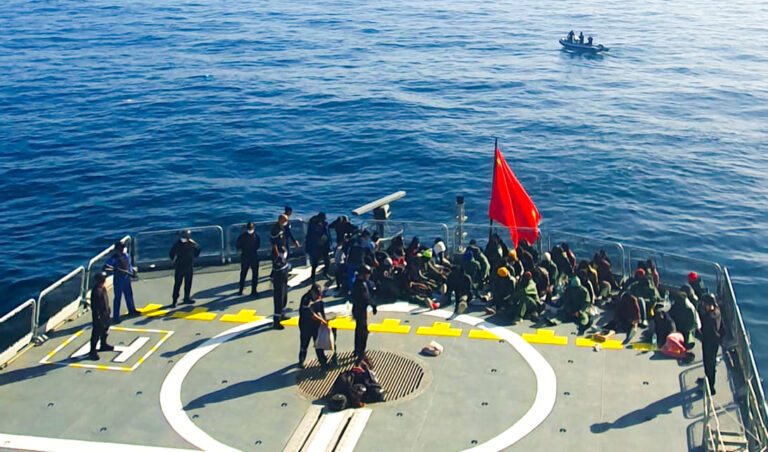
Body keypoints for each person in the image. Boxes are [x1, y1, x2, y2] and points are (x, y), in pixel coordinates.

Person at [103, 241, 138, 322]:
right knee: (118, 297)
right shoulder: (114, 258)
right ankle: (116, 316)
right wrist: (114, 269)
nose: (121, 250)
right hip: (118, 278)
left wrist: (131, 273)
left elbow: (129, 265)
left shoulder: (126, 255)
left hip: (126, 277)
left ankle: (132, 310)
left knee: (129, 294)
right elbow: (105, 267)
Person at [298, 284, 331, 369]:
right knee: (304, 343)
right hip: (305, 324)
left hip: (315, 324)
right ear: (312, 292)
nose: (318, 296)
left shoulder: (318, 297)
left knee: (318, 344)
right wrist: (322, 320)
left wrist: (325, 319)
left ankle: (323, 362)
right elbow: (311, 314)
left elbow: (321, 309)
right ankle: (301, 361)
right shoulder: (306, 299)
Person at [351, 265, 377, 361]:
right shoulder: (360, 285)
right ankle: (361, 354)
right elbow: (365, 298)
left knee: (358, 330)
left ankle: (357, 350)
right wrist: (373, 305)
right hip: (360, 311)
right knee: (363, 332)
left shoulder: (357, 283)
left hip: (357, 310)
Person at [169, 230, 201, 306]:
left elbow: (171, 254)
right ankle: (181, 298)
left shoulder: (179, 244)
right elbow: (197, 251)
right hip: (185, 265)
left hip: (183, 265)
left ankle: (180, 299)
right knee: (182, 283)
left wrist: (173, 260)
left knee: (183, 283)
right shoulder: (188, 244)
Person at [700, 294, 723, 395]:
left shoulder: (709, 317)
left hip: (710, 343)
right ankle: (708, 380)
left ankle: (711, 387)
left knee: (709, 364)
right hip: (715, 342)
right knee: (710, 363)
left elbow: (709, 331)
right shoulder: (717, 311)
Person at [88, 272, 113, 360]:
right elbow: (95, 306)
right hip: (99, 316)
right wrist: (98, 316)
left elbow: (105, 300)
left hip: (105, 313)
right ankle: (92, 351)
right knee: (96, 333)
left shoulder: (103, 289)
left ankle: (103, 344)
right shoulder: (95, 292)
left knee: (105, 329)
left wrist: (108, 310)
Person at [236, 222, 261, 297]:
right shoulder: (256, 236)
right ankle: (254, 291)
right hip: (253, 256)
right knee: (255, 274)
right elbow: (258, 246)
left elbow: (238, 246)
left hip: (245, 256)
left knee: (243, 273)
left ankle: (241, 290)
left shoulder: (242, 236)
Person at [306, 212, 332, 282]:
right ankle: (313, 277)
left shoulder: (325, 224)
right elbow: (310, 236)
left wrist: (329, 244)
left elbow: (328, 234)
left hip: (325, 246)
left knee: (327, 261)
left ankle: (325, 273)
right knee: (315, 263)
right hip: (316, 247)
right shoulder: (313, 224)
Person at [271, 247, 291, 329]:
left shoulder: (283, 261)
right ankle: (276, 321)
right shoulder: (278, 263)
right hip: (279, 284)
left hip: (284, 284)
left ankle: (282, 314)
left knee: (283, 299)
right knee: (278, 301)